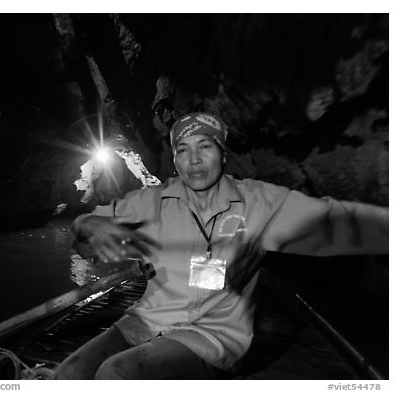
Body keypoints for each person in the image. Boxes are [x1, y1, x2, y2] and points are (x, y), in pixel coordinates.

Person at [55, 112, 389, 380]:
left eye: (205, 147)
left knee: (116, 374)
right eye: (183, 150)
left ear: (223, 153)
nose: (194, 160)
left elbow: (338, 221)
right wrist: (92, 224)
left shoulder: (258, 202)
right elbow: (85, 222)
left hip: (210, 334)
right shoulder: (154, 200)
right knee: (68, 374)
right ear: (174, 160)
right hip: (147, 320)